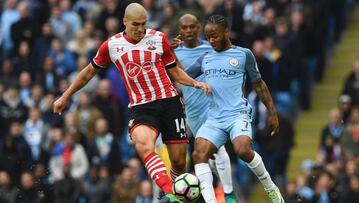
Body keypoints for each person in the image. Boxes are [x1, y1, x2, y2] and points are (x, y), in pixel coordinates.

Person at [53, 2, 211, 202]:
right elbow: (88, 73)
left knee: (179, 163)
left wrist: (195, 83)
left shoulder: (159, 38)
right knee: (143, 145)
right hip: (141, 107)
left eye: (143, 24)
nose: (140, 29)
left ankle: (174, 196)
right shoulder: (111, 46)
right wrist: (65, 96)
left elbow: (175, 71)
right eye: (135, 24)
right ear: (124, 22)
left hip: (169, 102)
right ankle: (171, 192)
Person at [189, 15, 284, 203]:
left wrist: (272, 113)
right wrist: (171, 56)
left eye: (214, 35)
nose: (211, 40)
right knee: (199, 153)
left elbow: (259, 85)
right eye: (208, 37)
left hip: (237, 114)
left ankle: (270, 187)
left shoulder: (243, 55)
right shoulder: (205, 58)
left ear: (226, 32)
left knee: (243, 150)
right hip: (214, 118)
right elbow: (181, 74)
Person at [172, 14, 237, 202]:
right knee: (209, 157)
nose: (189, 31)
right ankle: (219, 190)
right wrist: (170, 54)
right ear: (180, 29)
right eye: (185, 28)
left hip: (212, 106)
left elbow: (189, 73)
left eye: (192, 27)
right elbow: (179, 77)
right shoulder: (174, 52)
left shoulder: (210, 48)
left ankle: (228, 194)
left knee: (219, 149)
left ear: (198, 27)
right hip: (192, 111)